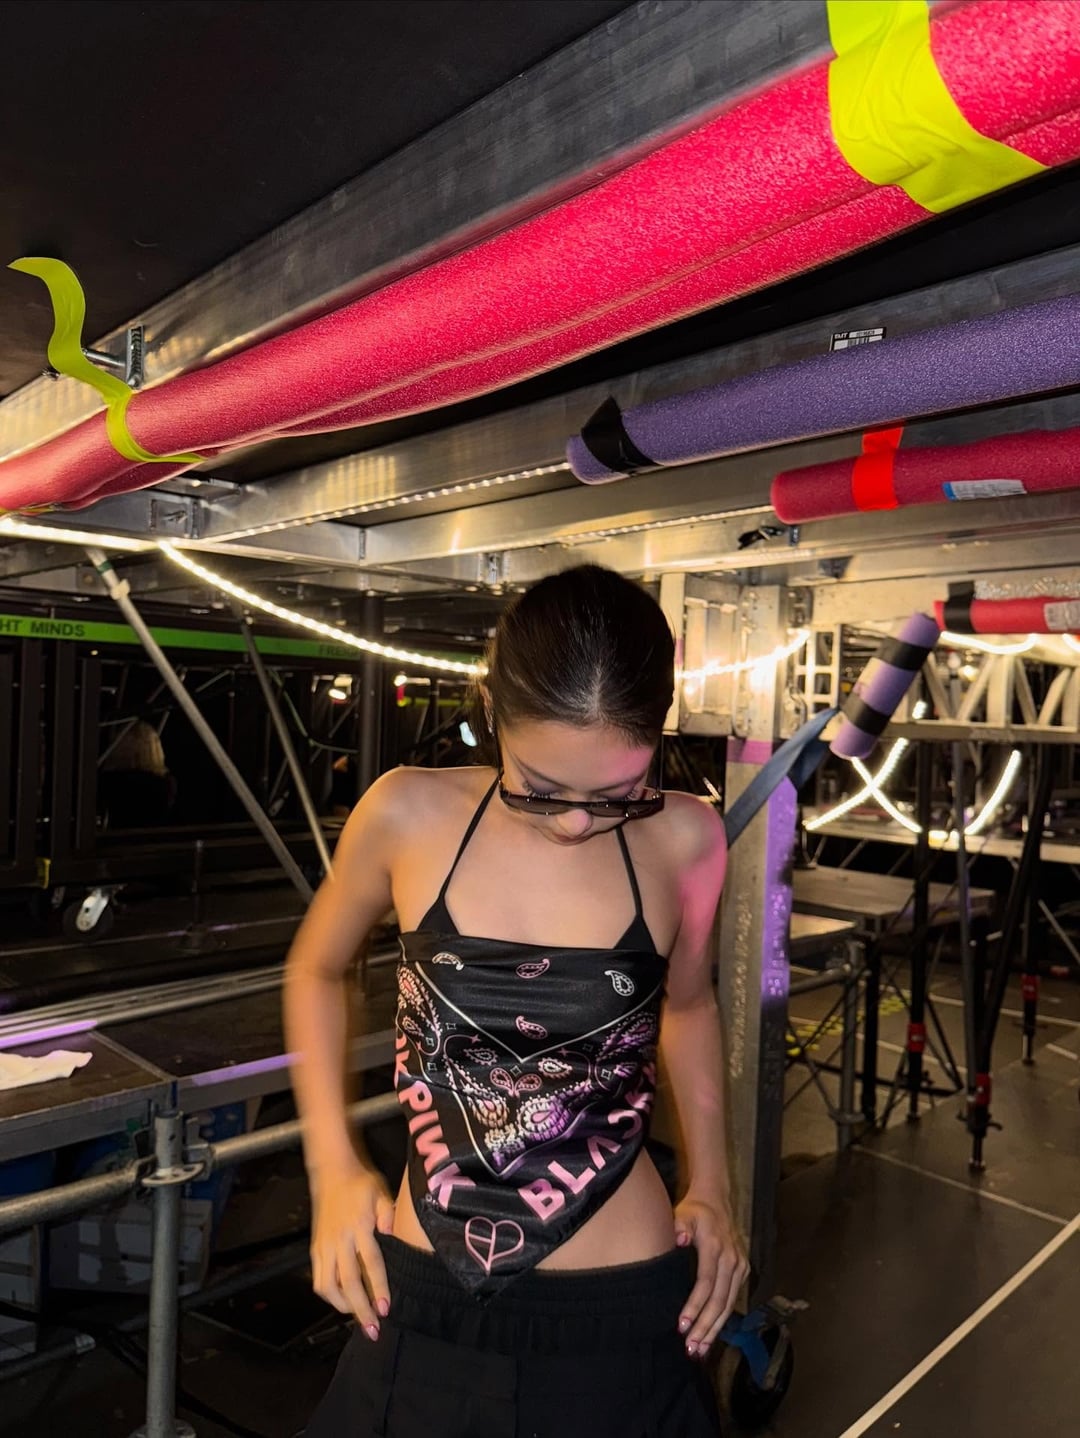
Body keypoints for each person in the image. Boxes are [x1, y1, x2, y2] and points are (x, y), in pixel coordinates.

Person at [286, 564, 746, 1437]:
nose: (575, 822)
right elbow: (315, 968)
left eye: (617, 795)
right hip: (427, 1298)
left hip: (623, 1312)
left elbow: (687, 1007)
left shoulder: (688, 836)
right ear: (492, 711)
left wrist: (716, 1187)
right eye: (540, 786)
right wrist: (332, 1168)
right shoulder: (408, 813)